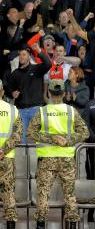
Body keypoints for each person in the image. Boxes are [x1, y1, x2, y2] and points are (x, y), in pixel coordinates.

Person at [28, 79, 90, 229]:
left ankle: (41, 225)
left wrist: (51, 138)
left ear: (48, 92)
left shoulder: (42, 111)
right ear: (63, 93)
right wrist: (67, 141)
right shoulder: (71, 111)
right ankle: (73, 224)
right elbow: (85, 132)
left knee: (43, 194)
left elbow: (30, 133)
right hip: (67, 159)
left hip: (47, 159)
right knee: (70, 195)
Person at [7, 44, 52, 141]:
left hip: (35, 109)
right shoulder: (15, 73)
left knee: (35, 140)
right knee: (22, 140)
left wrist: (39, 50)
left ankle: (34, 157)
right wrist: (12, 93)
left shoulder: (37, 69)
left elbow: (48, 64)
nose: (21, 57)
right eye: (20, 55)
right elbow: (8, 88)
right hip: (21, 110)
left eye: (24, 54)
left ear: (29, 57)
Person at [0, 80, 22, 229]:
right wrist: (3, 150)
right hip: (6, 158)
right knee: (8, 195)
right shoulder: (13, 110)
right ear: (2, 92)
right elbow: (17, 135)